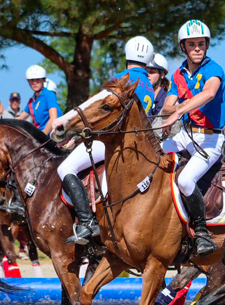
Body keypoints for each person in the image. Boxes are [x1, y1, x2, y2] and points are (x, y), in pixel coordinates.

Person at [54, 36, 156, 244]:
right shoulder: (148, 85)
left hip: (112, 142)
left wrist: (76, 134)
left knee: (64, 168)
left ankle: (87, 222)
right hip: (139, 146)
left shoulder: (121, 80)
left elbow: (99, 114)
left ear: (127, 55)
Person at [159, 20, 225, 256]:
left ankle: (202, 233)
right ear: (183, 47)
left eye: (201, 44)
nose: (197, 48)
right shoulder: (178, 73)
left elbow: (209, 93)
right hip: (185, 135)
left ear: (207, 46)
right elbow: (168, 104)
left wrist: (179, 109)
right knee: (152, 155)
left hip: (210, 140)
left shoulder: (214, 69)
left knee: (186, 180)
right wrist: (170, 109)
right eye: (192, 44)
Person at [17, 65, 62, 135]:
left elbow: (53, 118)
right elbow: (20, 118)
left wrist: (42, 136)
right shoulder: (31, 101)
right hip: (39, 136)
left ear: (43, 80)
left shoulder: (49, 94)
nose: (34, 83)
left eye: (38, 79)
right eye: (32, 80)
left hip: (53, 135)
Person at [146, 53, 170, 117]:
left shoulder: (165, 100)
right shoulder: (138, 96)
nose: (147, 75)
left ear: (162, 75)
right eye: (145, 72)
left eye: (152, 72)